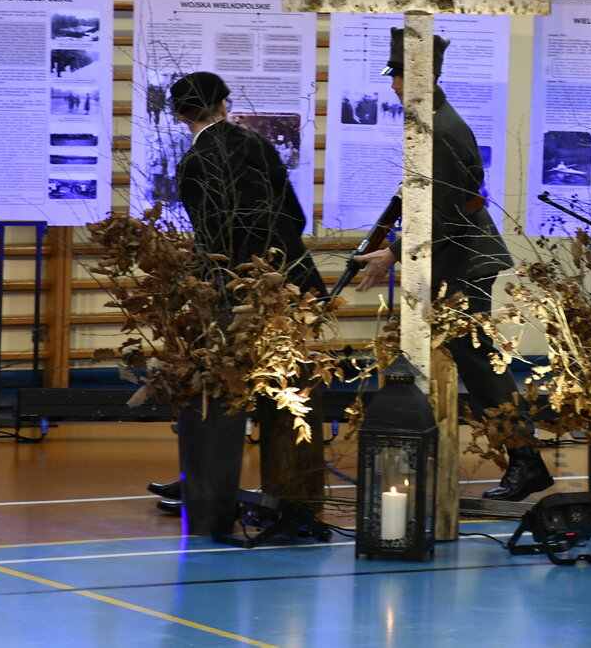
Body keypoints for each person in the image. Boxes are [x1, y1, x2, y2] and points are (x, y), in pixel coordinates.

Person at [351, 28, 553, 503]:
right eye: (393, 75)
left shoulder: (440, 130)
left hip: (465, 263)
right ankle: (521, 461)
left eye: (400, 75)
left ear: (424, 76)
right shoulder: (430, 122)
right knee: (478, 368)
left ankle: (527, 462)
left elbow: (443, 214)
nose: (393, 84)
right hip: (457, 260)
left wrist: (392, 253)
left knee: (483, 370)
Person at [147, 71, 326, 510]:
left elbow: (211, 239)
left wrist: (216, 283)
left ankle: (207, 483)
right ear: (224, 104)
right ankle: (289, 488)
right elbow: (293, 213)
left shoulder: (194, 162)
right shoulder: (257, 143)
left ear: (179, 115)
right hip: (289, 280)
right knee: (288, 387)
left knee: (219, 385)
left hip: (233, 289)